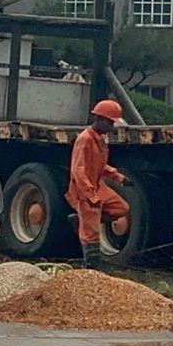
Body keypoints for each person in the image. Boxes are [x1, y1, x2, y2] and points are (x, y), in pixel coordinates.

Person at [66, 99, 130, 268]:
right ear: (100, 119)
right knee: (91, 231)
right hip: (84, 190)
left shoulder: (100, 139)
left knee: (121, 208)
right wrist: (89, 195)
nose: (112, 127)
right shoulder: (85, 139)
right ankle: (92, 266)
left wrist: (118, 177)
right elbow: (78, 171)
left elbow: (100, 165)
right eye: (110, 122)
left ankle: (81, 221)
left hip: (97, 186)